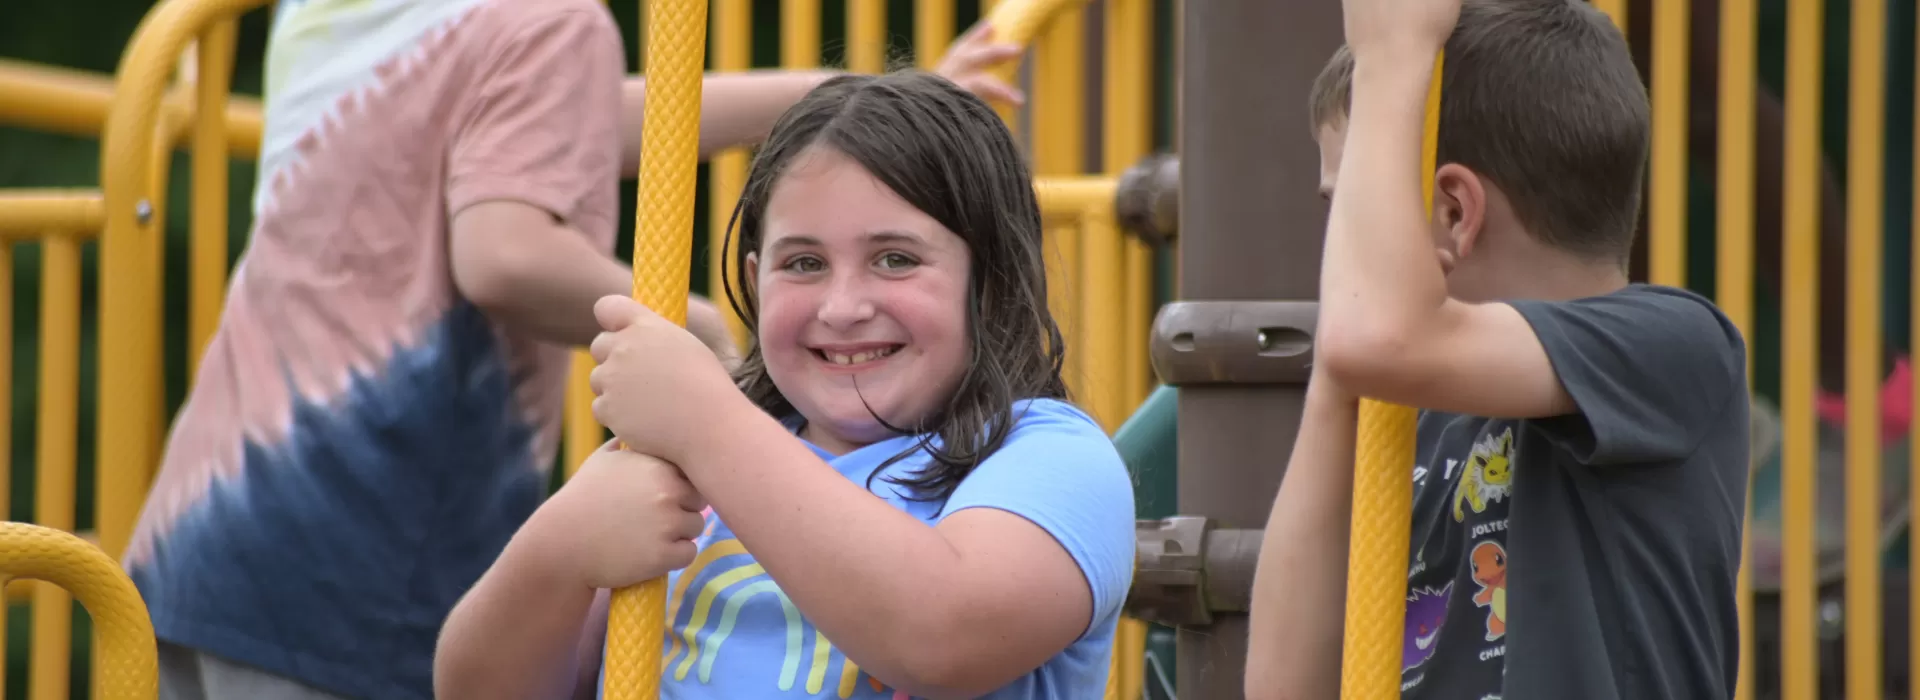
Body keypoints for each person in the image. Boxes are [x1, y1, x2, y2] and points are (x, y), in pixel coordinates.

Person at [121, 0, 1030, 697]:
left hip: (208, 526)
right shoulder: (553, 18)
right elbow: (503, 253)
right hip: (360, 530)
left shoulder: (347, 18)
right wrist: (693, 335)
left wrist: (860, 106)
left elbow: (583, 120)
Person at [432, 70, 1137, 699]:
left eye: (895, 259)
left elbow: (944, 639)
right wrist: (559, 550)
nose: (843, 306)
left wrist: (708, 422)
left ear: (990, 282)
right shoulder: (672, 470)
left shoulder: (1048, 457)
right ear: (751, 281)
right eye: (803, 264)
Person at [1243, 0, 1750, 698]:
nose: (1339, 254)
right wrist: (1340, 378)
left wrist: (1394, 56)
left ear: (1454, 213)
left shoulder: (1675, 349)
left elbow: (1381, 336)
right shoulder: (1403, 409)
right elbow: (1282, 687)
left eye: (1348, 208)